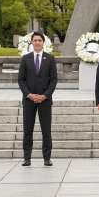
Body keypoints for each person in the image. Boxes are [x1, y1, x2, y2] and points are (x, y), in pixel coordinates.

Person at [18, 31, 57, 166]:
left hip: (45, 101)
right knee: (28, 130)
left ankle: (47, 158)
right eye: (35, 40)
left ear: (43, 42)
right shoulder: (25, 58)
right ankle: (27, 158)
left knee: (46, 130)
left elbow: (54, 80)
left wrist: (45, 95)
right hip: (29, 100)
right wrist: (29, 94)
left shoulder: (50, 58)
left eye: (39, 40)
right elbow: (21, 80)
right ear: (32, 42)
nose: (37, 42)